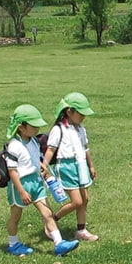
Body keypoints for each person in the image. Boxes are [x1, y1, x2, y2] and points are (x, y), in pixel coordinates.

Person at [1, 104, 78, 258]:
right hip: (21, 185)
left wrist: (43, 169)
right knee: (16, 216)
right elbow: (13, 171)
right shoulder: (14, 146)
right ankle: (13, 244)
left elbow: (35, 159)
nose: (37, 129)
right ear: (21, 127)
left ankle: (59, 243)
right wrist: (21, 191)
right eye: (33, 125)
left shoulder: (34, 141)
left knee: (47, 213)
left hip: (36, 182)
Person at [43, 92, 98, 242]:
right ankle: (52, 220)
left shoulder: (81, 129)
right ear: (69, 111)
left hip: (81, 166)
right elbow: (51, 149)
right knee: (77, 201)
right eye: (80, 114)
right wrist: (44, 166)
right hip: (67, 167)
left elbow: (85, 148)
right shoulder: (59, 129)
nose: (83, 117)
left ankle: (81, 230)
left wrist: (91, 166)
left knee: (84, 199)